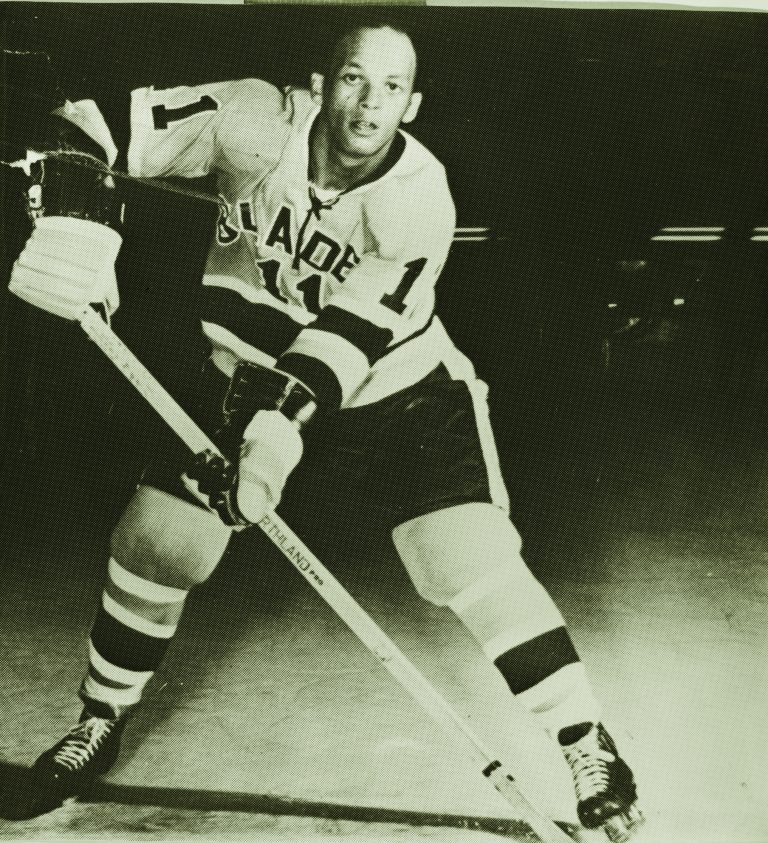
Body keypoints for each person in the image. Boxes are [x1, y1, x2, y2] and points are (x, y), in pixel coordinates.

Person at [8, 22, 642, 840]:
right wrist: (79, 212)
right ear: (322, 82)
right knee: (159, 543)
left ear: (412, 104)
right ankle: (100, 719)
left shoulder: (420, 198)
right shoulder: (248, 120)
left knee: (465, 558)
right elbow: (79, 125)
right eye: (352, 78)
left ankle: (586, 740)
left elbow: (335, 351)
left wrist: (266, 452)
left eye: (388, 88)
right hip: (239, 369)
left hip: (397, 394)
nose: (367, 102)